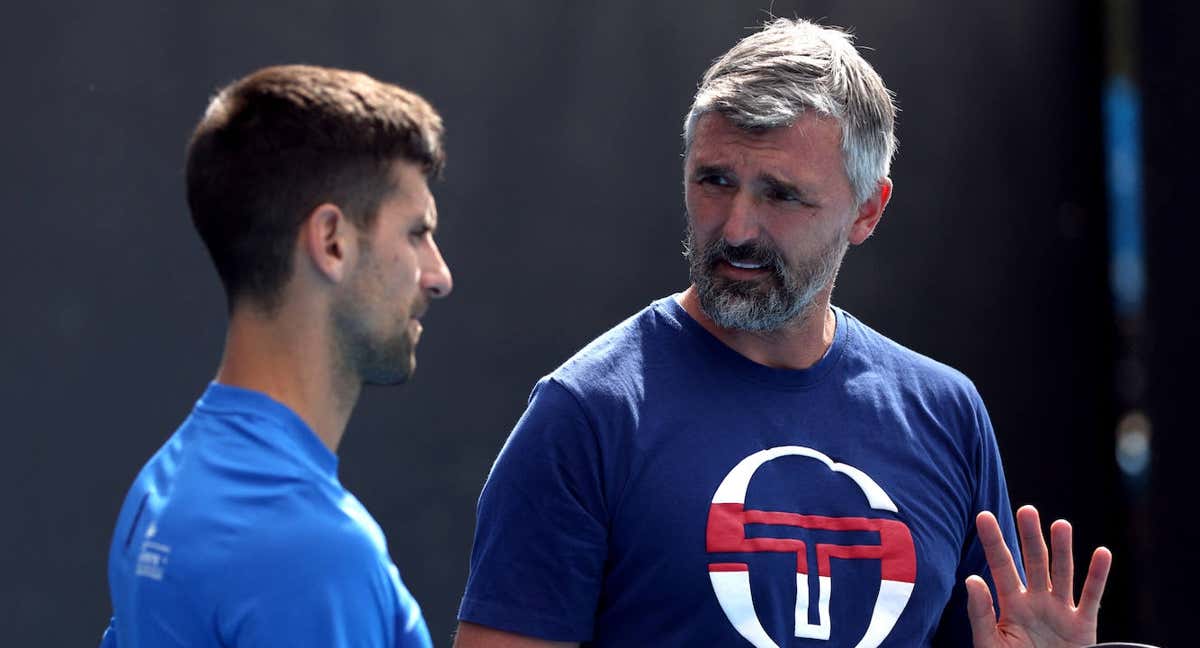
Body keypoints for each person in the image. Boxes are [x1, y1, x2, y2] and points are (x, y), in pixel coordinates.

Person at [454, 18, 1110, 648]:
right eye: (715, 181)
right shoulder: (588, 415)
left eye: (780, 194)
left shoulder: (945, 415)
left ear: (867, 210)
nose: (736, 228)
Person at [99, 65, 452, 647]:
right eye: (416, 233)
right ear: (332, 241)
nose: (439, 276)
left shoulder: (159, 489)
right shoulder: (315, 553)